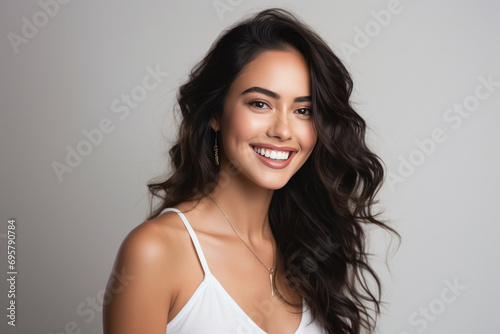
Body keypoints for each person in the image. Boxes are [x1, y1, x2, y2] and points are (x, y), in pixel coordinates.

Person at [103, 8, 397, 334]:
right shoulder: (156, 251)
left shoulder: (306, 247)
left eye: (303, 110)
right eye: (260, 103)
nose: (284, 130)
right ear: (215, 113)